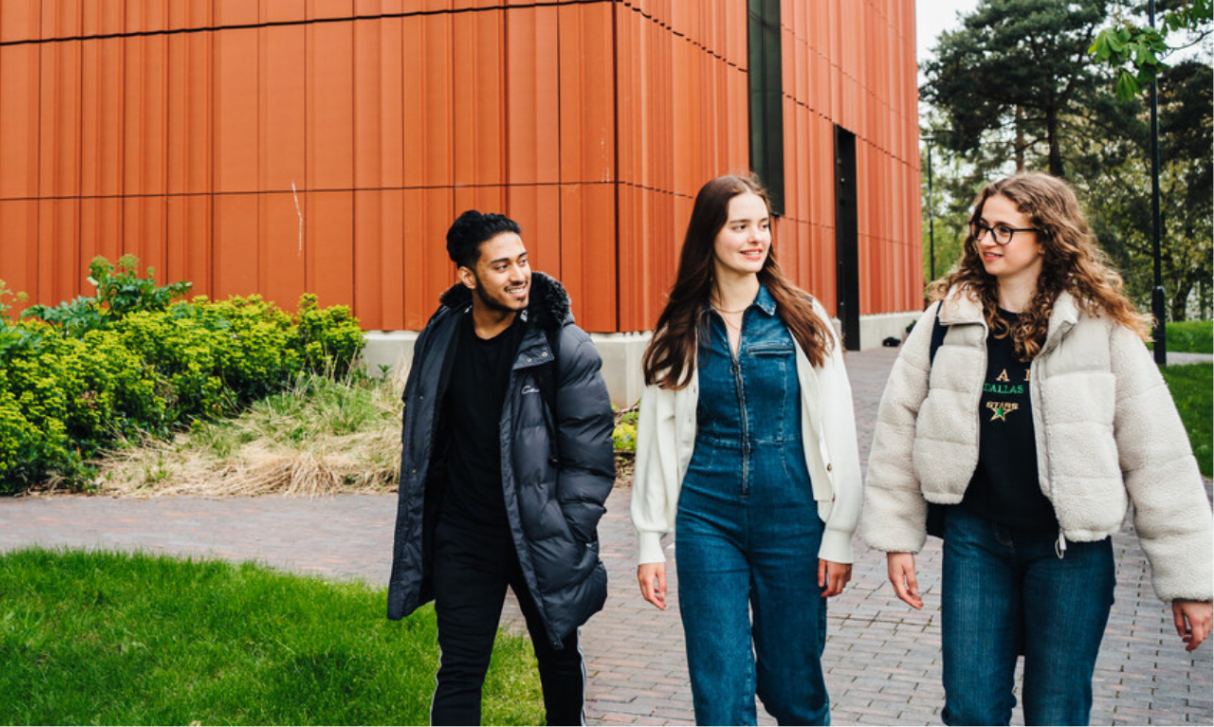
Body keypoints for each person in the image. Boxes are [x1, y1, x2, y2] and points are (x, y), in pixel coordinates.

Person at [864, 172, 1213, 726]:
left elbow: (1158, 455)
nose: (987, 239)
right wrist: (896, 537)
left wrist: (1191, 582)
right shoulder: (945, 319)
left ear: (1047, 236)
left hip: (1069, 551)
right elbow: (898, 427)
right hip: (975, 540)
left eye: (1005, 229)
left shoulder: (1098, 327)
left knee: (1056, 711)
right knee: (972, 711)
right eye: (982, 226)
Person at [631, 174, 862, 726]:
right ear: (710, 234)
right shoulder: (679, 329)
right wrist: (648, 540)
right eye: (740, 226)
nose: (756, 237)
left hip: (794, 518)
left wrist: (840, 531)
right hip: (707, 518)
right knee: (720, 687)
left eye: (763, 225)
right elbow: (657, 438)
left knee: (793, 686)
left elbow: (840, 429)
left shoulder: (803, 319)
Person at [387, 210, 616, 726]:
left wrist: (570, 527)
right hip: (465, 535)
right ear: (468, 277)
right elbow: (425, 435)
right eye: (501, 266)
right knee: (461, 669)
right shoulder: (441, 337)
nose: (519, 275)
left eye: (523, 260)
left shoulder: (560, 342)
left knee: (557, 656)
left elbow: (591, 450)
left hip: (540, 532)